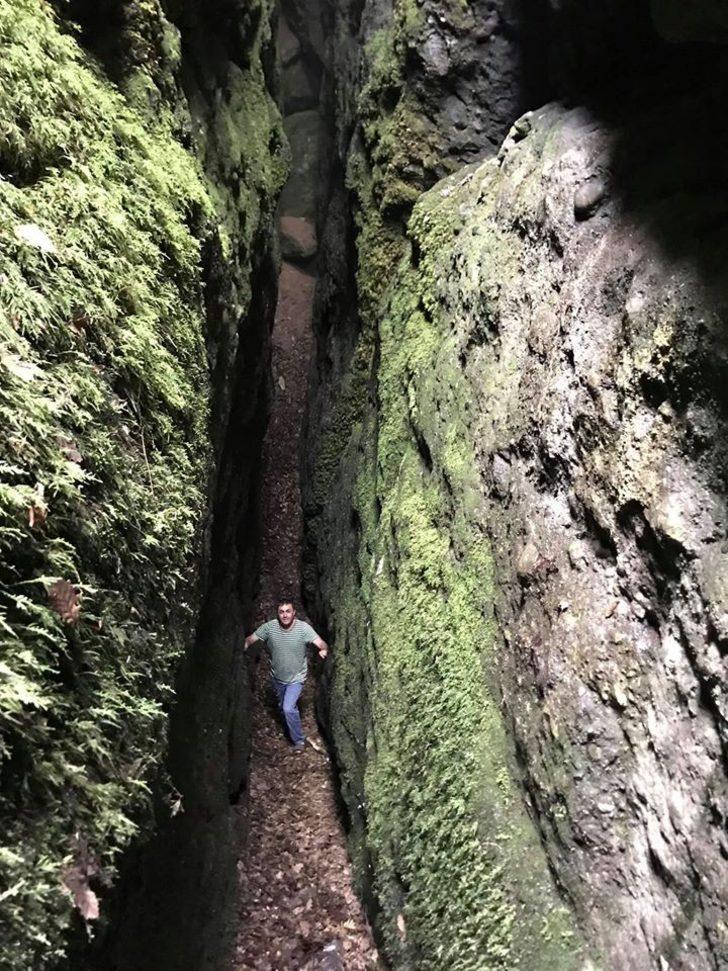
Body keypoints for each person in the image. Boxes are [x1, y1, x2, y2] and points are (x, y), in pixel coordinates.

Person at [244, 599, 328, 752]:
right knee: (283, 709)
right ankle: (291, 732)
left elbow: (321, 643)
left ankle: (299, 741)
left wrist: (323, 650)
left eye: (288, 611)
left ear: (294, 612)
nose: (285, 615)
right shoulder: (269, 628)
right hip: (277, 678)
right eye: (281, 612)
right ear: (278, 614)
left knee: (288, 708)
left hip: (297, 678)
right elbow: (250, 640)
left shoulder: (303, 629)